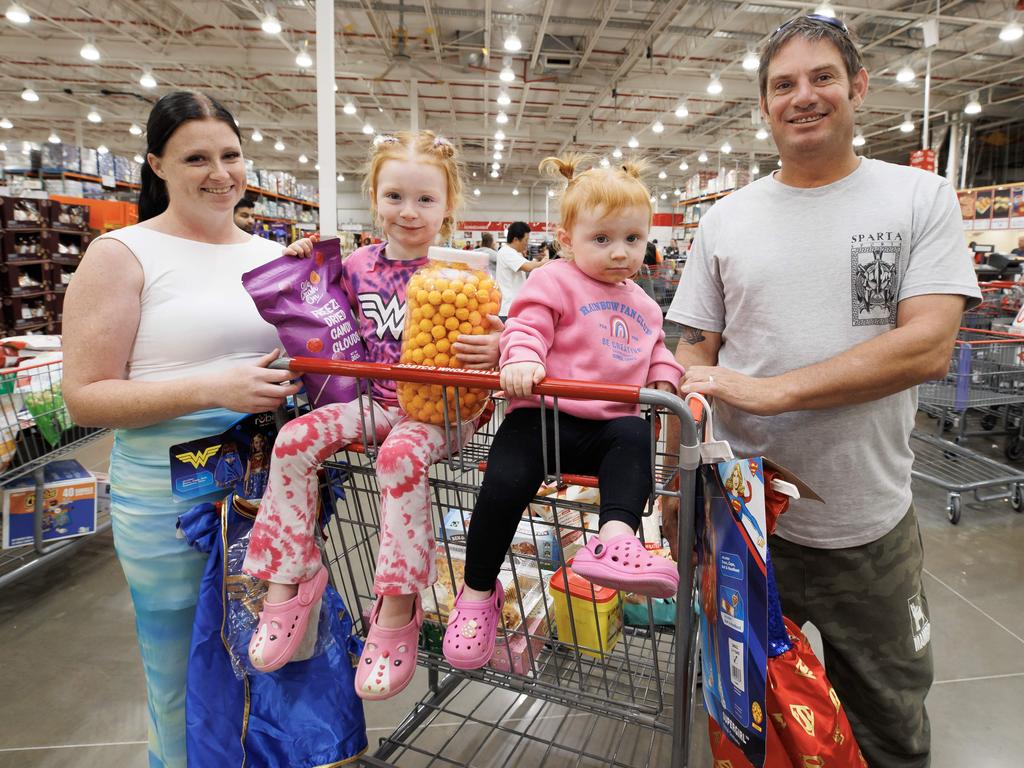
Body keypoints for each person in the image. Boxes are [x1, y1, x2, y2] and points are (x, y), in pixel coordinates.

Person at [662, 15, 980, 768]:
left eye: (822, 77)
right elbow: (694, 348)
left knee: (889, 715)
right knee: (745, 713)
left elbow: (930, 343)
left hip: (867, 524)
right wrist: (671, 474)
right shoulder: (726, 218)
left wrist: (769, 393)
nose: (802, 96)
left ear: (858, 87)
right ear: (764, 104)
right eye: (783, 85)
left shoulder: (918, 197)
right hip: (743, 517)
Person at [61, 91, 297, 768]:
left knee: (267, 660)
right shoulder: (121, 254)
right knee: (179, 676)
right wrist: (209, 387)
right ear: (157, 165)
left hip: (265, 492)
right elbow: (85, 398)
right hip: (168, 503)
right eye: (196, 157)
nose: (219, 172)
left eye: (230, 155)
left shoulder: (271, 254)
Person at [240, 131, 500, 699]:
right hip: (371, 402)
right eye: (394, 197)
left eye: (426, 200)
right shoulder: (357, 266)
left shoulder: (466, 274)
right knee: (294, 440)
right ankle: (291, 579)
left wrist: (498, 347)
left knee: (400, 456)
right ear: (374, 196)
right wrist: (298, 261)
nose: (408, 212)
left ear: (448, 205)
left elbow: (506, 342)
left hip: (436, 412)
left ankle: (398, 605)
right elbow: (317, 305)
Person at [441, 154, 684, 670]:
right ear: (569, 237)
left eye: (633, 240)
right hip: (543, 416)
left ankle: (615, 538)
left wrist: (666, 376)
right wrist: (523, 358)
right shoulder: (553, 280)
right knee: (502, 486)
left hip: (609, 426)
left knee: (636, 441)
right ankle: (478, 596)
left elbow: (656, 347)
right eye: (603, 239)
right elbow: (527, 327)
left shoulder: (643, 303)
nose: (620, 253)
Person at [495, 220, 548, 318]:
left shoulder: (515, 253)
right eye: (526, 240)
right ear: (515, 239)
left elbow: (528, 263)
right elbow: (527, 267)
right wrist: (543, 263)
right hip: (508, 309)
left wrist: (539, 260)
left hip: (515, 308)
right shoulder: (506, 252)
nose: (526, 244)